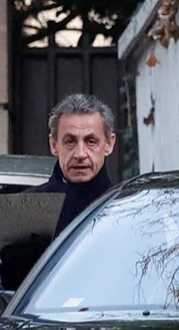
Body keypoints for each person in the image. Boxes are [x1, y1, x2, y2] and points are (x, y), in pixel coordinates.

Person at [32, 93, 117, 235]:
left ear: (109, 144)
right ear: (54, 145)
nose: (80, 154)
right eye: (70, 142)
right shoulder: (27, 209)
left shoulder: (126, 211)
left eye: (91, 141)